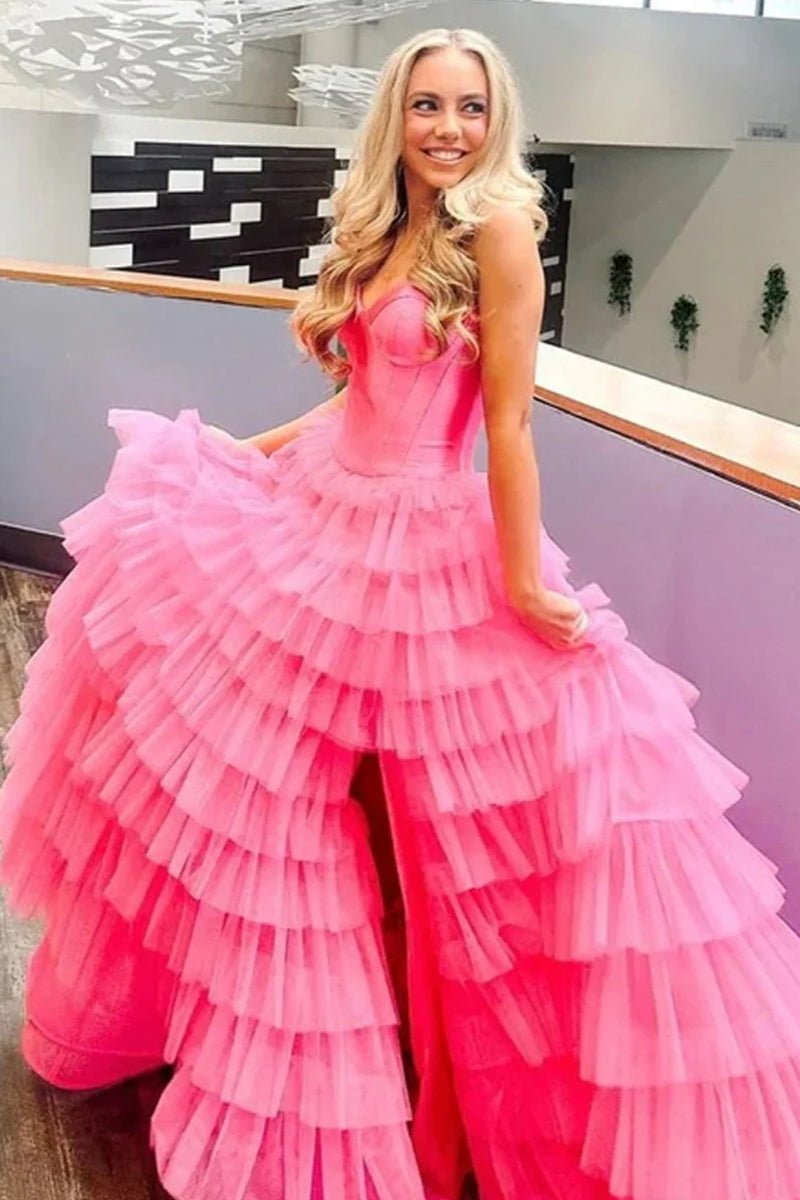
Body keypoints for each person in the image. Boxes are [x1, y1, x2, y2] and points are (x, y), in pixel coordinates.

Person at [2, 23, 800, 1200]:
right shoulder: (390, 225)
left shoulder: (499, 229)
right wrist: (238, 454)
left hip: (426, 541)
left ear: (497, 119)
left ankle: (433, 1084)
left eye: (470, 107)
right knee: (275, 799)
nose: (448, 128)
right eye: (427, 105)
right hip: (324, 519)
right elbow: (356, 403)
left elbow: (508, 422)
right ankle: (299, 1035)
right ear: (395, 116)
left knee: (446, 825)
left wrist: (521, 579)